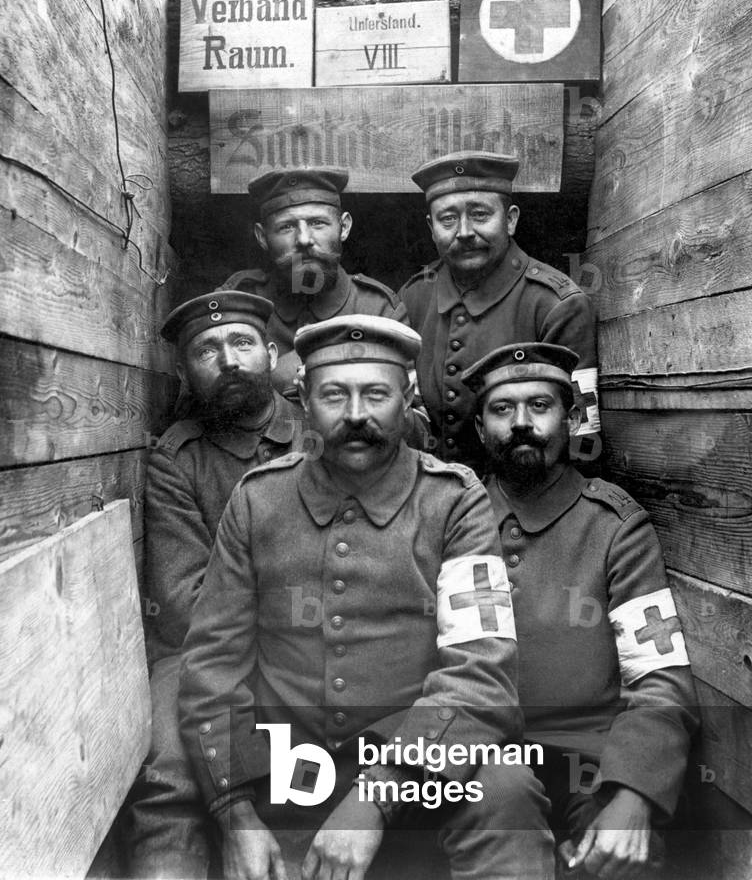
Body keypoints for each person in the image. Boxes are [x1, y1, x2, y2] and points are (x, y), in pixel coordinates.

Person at [178, 316, 556, 880]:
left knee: (507, 788)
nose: (356, 414)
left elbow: (482, 670)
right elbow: (213, 663)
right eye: (334, 394)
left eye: (376, 393)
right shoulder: (257, 501)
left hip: (424, 770)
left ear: (406, 399)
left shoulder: (455, 502)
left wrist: (376, 796)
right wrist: (234, 813)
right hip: (290, 769)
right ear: (304, 400)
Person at [462, 342, 699, 878]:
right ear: (480, 430)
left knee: (624, 862)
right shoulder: (453, 518)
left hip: (586, 762)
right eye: (502, 409)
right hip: (477, 757)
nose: (521, 423)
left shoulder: (615, 527)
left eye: (540, 406)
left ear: (570, 420)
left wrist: (634, 796)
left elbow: (659, 678)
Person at [127, 290, 304, 879]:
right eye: (207, 349)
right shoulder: (176, 460)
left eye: (242, 343)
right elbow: (182, 604)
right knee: (173, 773)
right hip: (201, 652)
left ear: (272, 352)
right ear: (183, 371)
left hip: (323, 638)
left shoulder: (322, 430)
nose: (227, 359)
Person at [400, 151, 599, 472]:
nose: (463, 231)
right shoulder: (414, 296)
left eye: (480, 214)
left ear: (510, 219)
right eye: (447, 219)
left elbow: (583, 441)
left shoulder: (558, 304)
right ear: (431, 227)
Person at [221, 166, 409, 397]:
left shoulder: (379, 309)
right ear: (262, 237)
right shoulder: (239, 302)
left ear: (344, 227)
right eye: (286, 227)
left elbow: (406, 410)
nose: (303, 240)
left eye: (318, 223)